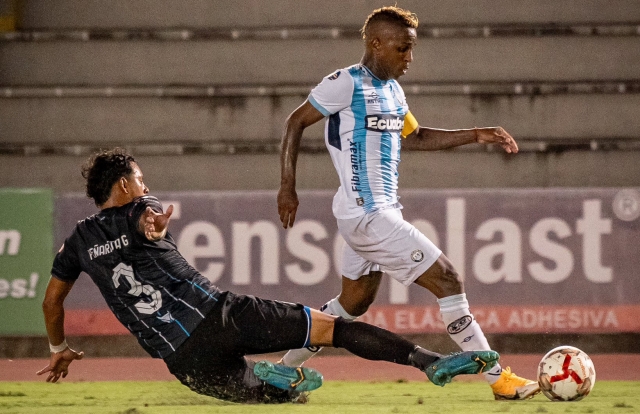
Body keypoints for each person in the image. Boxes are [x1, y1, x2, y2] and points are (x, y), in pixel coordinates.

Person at [37, 148, 500, 404]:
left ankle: (272, 379)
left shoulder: (76, 242)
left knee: (291, 399)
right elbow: (147, 217)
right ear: (124, 187)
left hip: (185, 366)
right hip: (222, 317)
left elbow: (51, 302)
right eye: (140, 180)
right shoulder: (142, 208)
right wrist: (151, 223)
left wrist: (58, 349)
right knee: (332, 328)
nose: (147, 187)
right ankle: (429, 363)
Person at [277, 6, 539, 401]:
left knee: (352, 304)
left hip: (374, 214)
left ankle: (282, 371)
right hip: (368, 214)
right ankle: (499, 380)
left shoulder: (394, 92)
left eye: (411, 50)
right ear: (376, 43)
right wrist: (287, 187)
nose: (408, 59)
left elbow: (414, 138)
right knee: (448, 279)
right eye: (402, 49)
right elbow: (295, 122)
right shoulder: (345, 84)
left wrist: (475, 134)